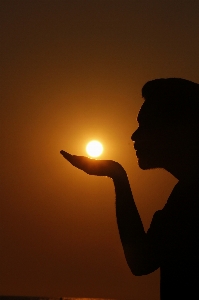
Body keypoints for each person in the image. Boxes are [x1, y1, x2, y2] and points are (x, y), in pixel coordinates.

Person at [60, 78, 199, 299]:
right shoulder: (184, 193)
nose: (134, 136)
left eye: (146, 125)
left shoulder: (191, 198)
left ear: (178, 130)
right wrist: (118, 176)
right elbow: (143, 261)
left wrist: (118, 176)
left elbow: (141, 261)